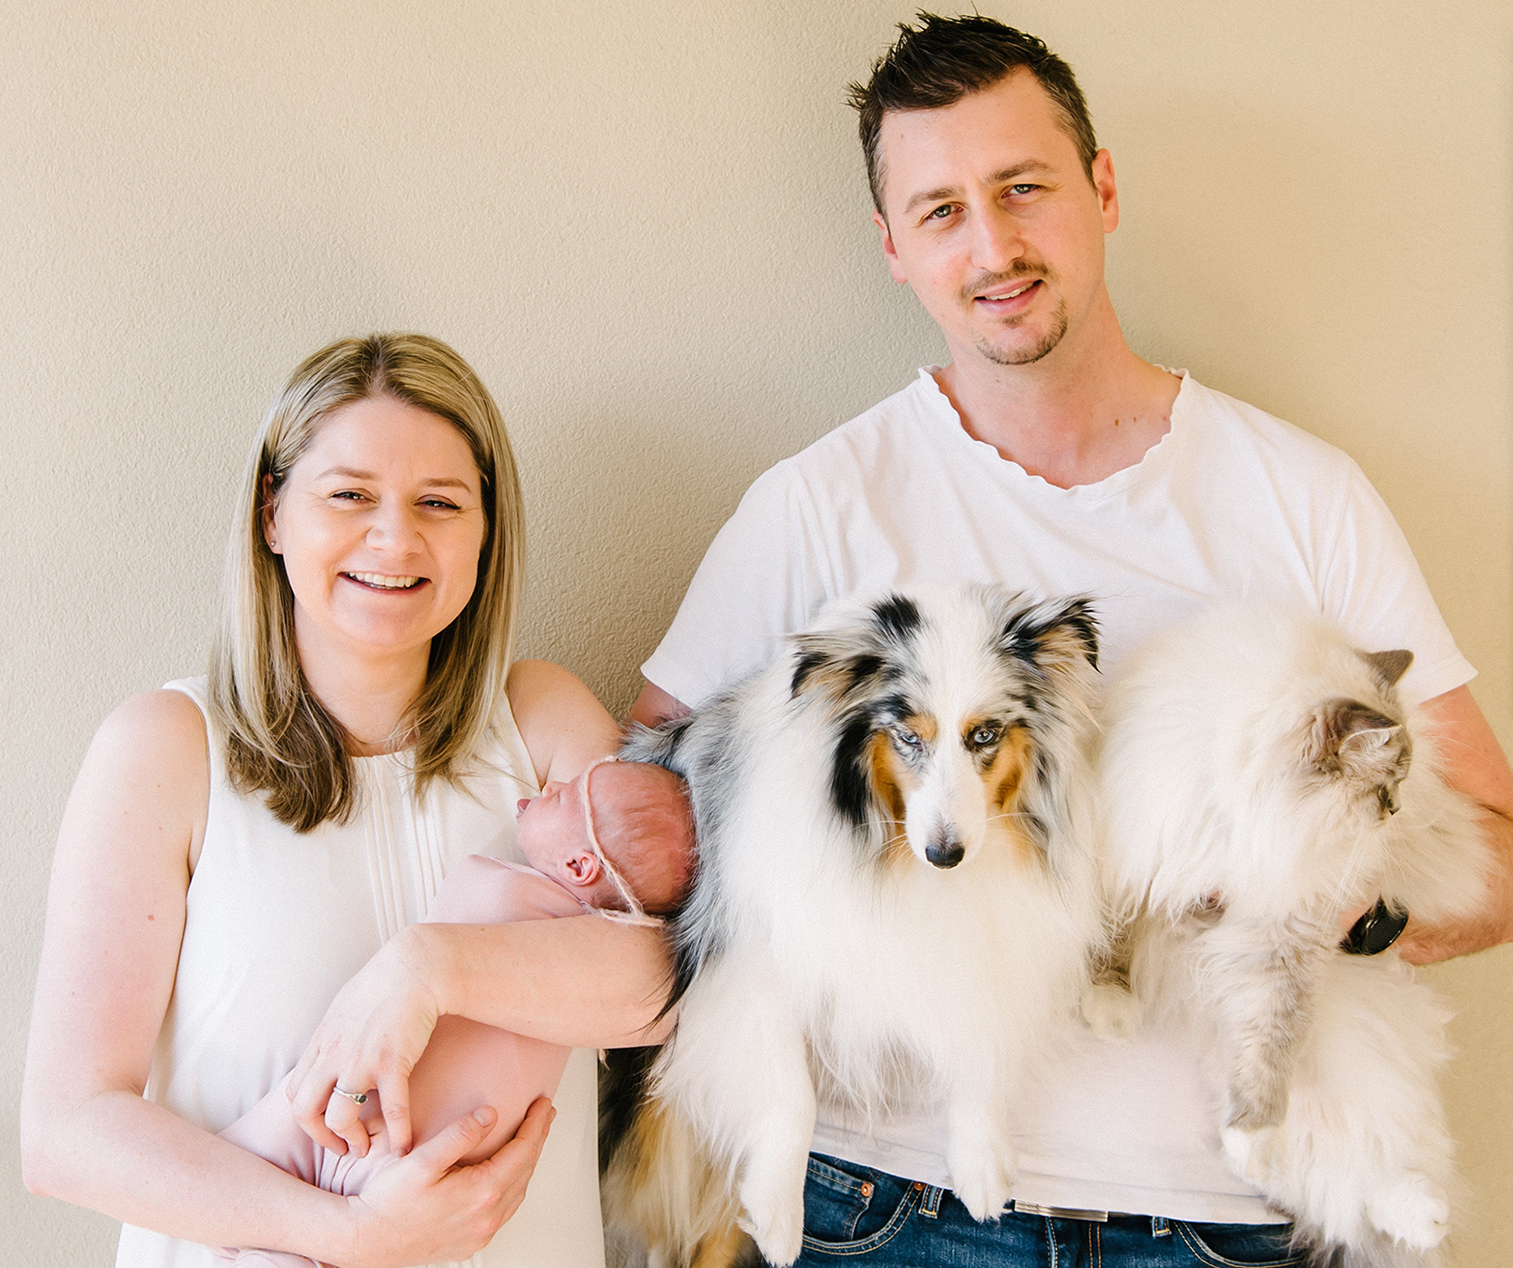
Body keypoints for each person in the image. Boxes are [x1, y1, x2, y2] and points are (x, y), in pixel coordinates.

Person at [628, 15, 1513, 1267]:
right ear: (893, 248)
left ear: (1100, 188)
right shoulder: (821, 505)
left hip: (1226, 1221)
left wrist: (1326, 910)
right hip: (889, 1209)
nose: (991, 245)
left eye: (1022, 189)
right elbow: (644, 798)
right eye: (939, 211)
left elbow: (1495, 847)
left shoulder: (1303, 500)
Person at [20, 333, 661, 1267]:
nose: (394, 539)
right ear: (273, 514)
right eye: (349, 495)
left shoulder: (541, 721)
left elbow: (665, 986)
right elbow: (66, 1134)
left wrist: (427, 970)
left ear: (486, 533)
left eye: (439, 503)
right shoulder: (165, 749)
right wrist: (351, 1235)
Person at [219, 757, 696, 1267]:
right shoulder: (584, 961)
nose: (551, 784)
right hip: (415, 1155)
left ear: (579, 867)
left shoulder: (524, 901)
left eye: (564, 795)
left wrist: (426, 964)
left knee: (246, 1170)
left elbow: (677, 978)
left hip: (396, 1143)